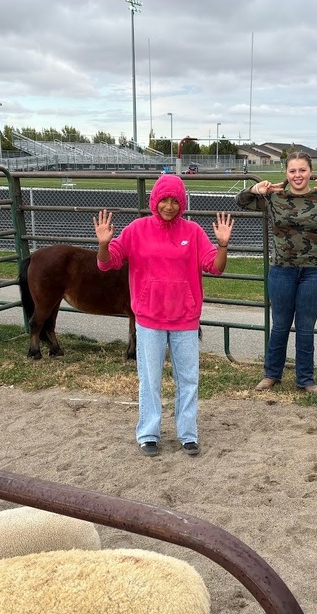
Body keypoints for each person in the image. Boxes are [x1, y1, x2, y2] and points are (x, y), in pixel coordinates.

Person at [94, 174, 233, 457]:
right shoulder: (136, 229)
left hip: (184, 317)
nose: (169, 206)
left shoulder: (192, 232)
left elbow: (215, 267)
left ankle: (188, 433)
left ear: (182, 203)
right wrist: (104, 244)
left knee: (188, 378)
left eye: (174, 201)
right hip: (149, 318)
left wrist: (223, 246)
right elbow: (108, 264)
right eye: (163, 200)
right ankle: (148, 433)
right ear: (154, 201)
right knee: (150, 378)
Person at [235, 150, 317, 394]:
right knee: (280, 324)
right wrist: (254, 190)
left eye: (302, 170)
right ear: (286, 173)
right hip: (282, 269)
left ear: (311, 172)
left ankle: (306, 378)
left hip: (314, 270)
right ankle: (271, 373)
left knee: (305, 326)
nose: (298, 175)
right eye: (292, 170)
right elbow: (241, 202)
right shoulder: (275, 197)